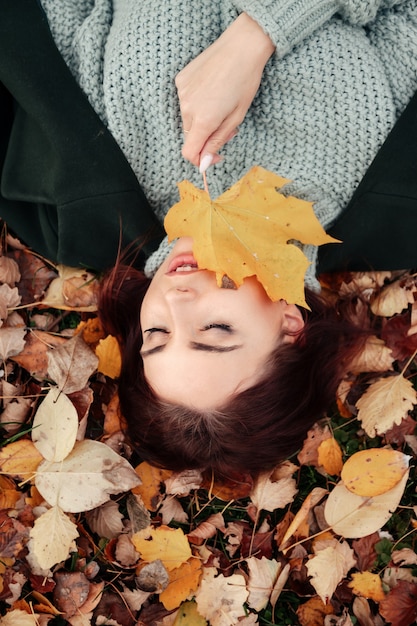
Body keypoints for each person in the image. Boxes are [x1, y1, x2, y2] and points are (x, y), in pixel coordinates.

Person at [1, 0, 417, 474]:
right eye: (214, 331)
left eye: (156, 334)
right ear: (290, 328)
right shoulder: (377, 171)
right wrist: (259, 33)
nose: (176, 300)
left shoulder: (93, 174)